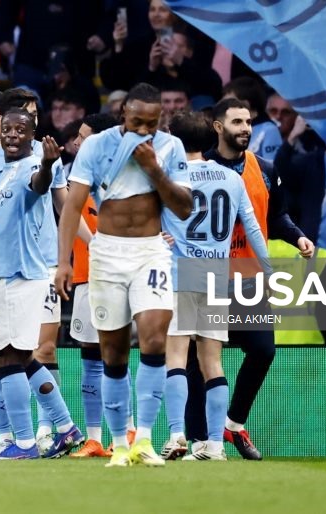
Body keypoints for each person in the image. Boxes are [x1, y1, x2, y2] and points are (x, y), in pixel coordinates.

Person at [55, 82, 193, 467]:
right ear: (122, 117)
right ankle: (118, 444)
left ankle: (145, 440)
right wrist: (63, 261)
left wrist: (155, 170)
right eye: (137, 123)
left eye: (151, 123)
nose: (144, 131)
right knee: (112, 353)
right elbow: (73, 206)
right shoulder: (97, 146)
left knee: (153, 339)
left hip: (151, 252)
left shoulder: (170, 148)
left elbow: (184, 208)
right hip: (107, 254)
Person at [185, 98, 315, 461]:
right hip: (206, 275)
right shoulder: (198, 167)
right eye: (237, 121)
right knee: (200, 360)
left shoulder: (266, 169)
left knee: (262, 351)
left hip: (249, 277)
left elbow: (276, 217)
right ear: (217, 126)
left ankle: (234, 423)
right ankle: (197, 438)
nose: (245, 127)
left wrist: (297, 236)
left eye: (248, 121)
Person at [161, 111, 271, 461]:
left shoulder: (167, 178)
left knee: (177, 357)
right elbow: (253, 229)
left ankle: (177, 435)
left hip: (181, 272)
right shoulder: (229, 177)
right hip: (216, 275)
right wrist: (269, 270)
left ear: (175, 142)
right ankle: (214, 445)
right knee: (213, 362)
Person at [0, 109, 78, 459]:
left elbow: (40, 185)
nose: (13, 135)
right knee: (23, 359)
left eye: (21, 130)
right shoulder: (6, 172)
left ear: (33, 136)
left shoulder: (33, 165)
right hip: (4, 275)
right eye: (7, 129)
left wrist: (48, 165)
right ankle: (65, 427)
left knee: (8, 360)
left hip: (20, 276)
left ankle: (22, 442)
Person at [66, 112, 123, 459]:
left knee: (118, 356)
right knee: (90, 355)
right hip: (86, 276)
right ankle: (93, 439)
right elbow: (69, 219)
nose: (76, 142)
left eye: (84, 136)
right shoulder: (75, 177)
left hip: (120, 276)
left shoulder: (125, 176)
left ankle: (125, 433)